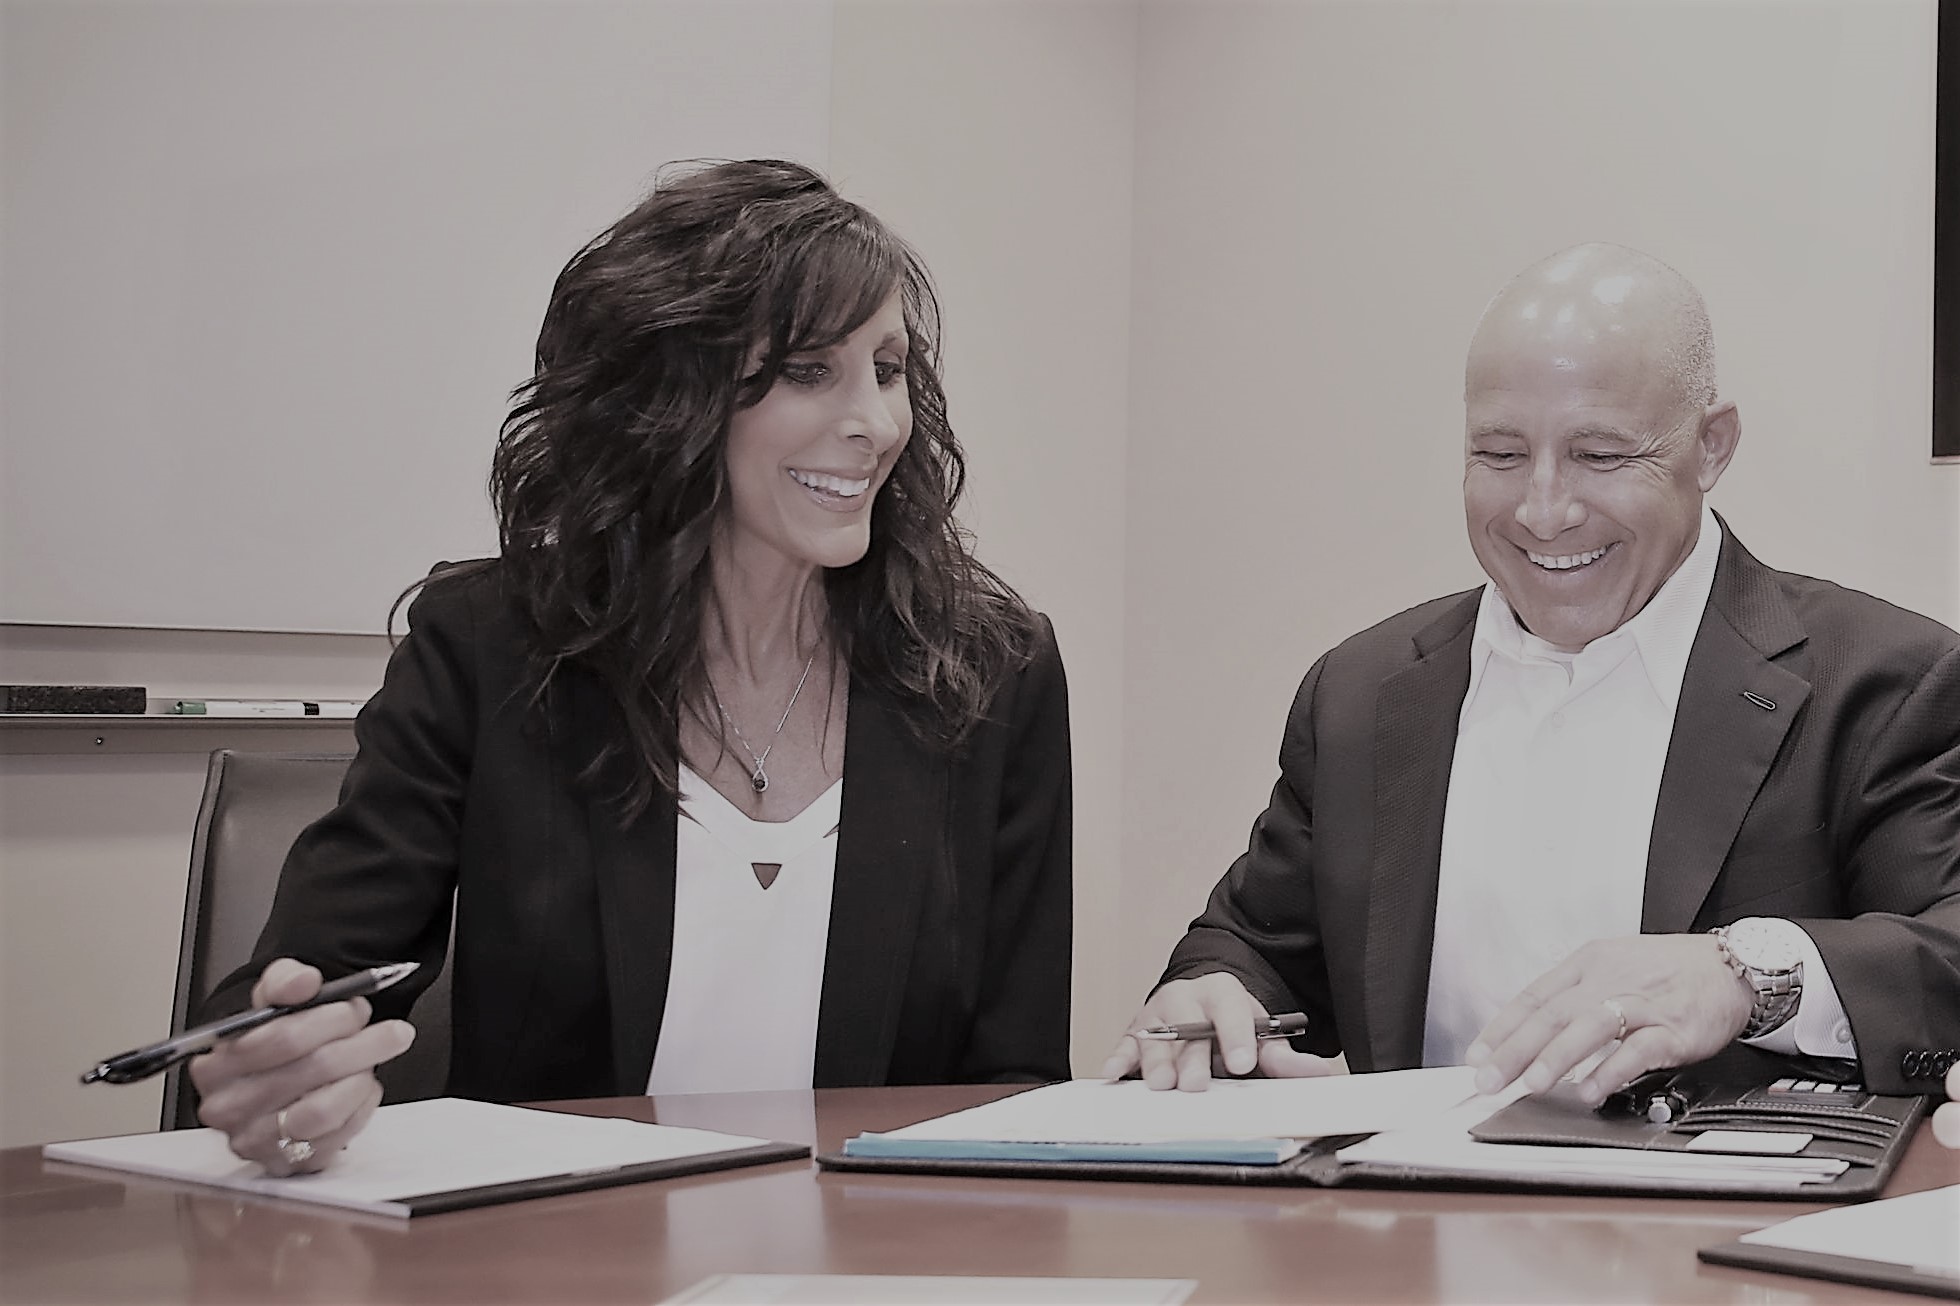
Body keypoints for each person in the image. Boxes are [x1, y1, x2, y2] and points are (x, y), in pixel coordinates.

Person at [190, 160, 1074, 1174]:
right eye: (805, 370)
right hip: (553, 1255)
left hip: (868, 1267)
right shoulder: (489, 647)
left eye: (887, 368)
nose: (875, 423)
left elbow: (1012, 1085)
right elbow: (304, 985)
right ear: (672, 397)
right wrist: (266, 1063)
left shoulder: (994, 672)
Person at [1104, 243, 1960, 1107]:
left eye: (1600, 455)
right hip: (1404, 1227)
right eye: (1501, 455)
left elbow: (1950, 956)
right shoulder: (1361, 694)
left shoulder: (1884, 682)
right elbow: (1254, 945)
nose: (1543, 511)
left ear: (1711, 447)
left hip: (1728, 1231)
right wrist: (1209, 998)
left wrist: (1746, 975)